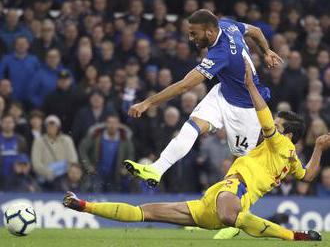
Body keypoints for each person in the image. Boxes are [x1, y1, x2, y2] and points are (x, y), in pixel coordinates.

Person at [63, 61, 330, 241]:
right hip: (210, 203)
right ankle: (84, 206)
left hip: (235, 192)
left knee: (228, 215)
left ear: (290, 135)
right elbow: (307, 176)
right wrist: (318, 148)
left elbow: (264, 117)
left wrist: (250, 86)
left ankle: (295, 236)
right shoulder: (290, 159)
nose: (270, 127)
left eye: (279, 125)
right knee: (145, 212)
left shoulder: (281, 143)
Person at [124, 9, 282, 188]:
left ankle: (235, 204)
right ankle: (156, 169)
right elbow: (256, 31)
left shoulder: (220, 54)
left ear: (209, 32)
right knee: (193, 125)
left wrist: (148, 102)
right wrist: (266, 51)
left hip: (246, 109)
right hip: (223, 93)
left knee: (241, 165)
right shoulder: (227, 25)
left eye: (194, 34)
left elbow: (185, 85)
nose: (191, 38)